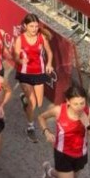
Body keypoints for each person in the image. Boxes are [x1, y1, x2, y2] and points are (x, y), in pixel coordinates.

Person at [38, 85, 90, 178]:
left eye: (82, 103)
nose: (79, 108)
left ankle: (49, 171)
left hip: (81, 154)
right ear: (68, 101)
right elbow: (41, 117)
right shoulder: (58, 110)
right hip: (62, 154)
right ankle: (50, 172)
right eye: (75, 104)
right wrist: (46, 132)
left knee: (73, 177)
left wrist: (87, 125)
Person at [14, 13, 54, 142]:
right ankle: (30, 127)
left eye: (36, 26)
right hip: (25, 74)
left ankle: (24, 100)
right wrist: (21, 61)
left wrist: (48, 64)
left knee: (39, 103)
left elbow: (49, 52)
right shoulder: (20, 39)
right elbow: (15, 56)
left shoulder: (42, 37)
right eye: (31, 26)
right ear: (25, 26)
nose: (34, 29)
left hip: (39, 73)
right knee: (33, 103)